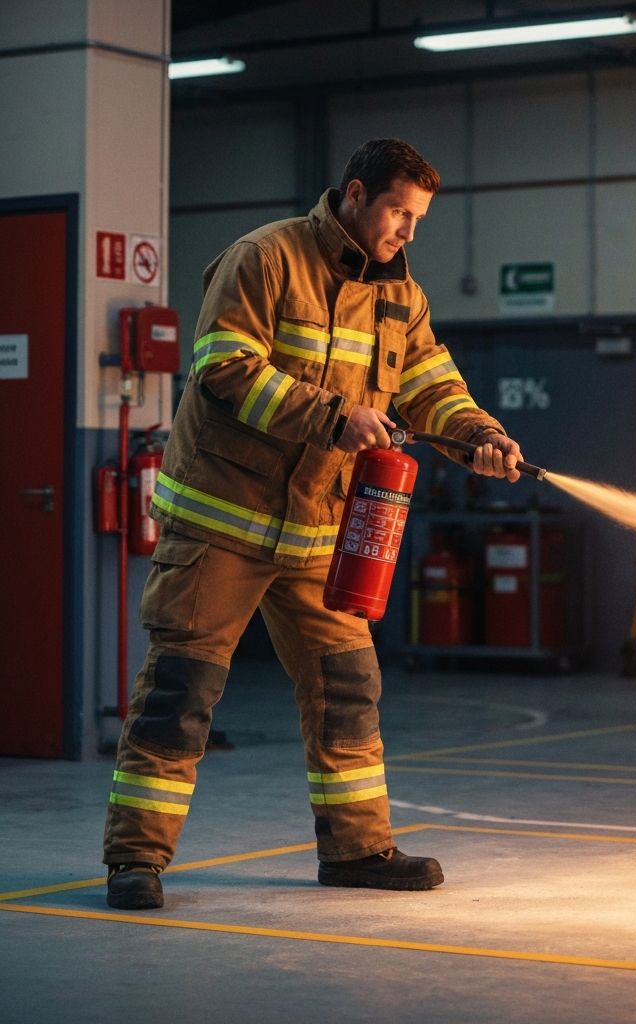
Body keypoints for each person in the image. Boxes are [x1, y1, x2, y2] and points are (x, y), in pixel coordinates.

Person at [103, 138, 524, 910]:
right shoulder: (263, 259)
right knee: (180, 690)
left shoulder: (404, 299)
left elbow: (434, 386)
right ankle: (135, 859)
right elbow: (223, 366)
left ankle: (358, 851)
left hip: (314, 536)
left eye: (418, 218)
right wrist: (333, 416)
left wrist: (481, 438)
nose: (408, 231)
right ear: (356, 195)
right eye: (400, 211)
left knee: (347, 689)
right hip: (219, 525)